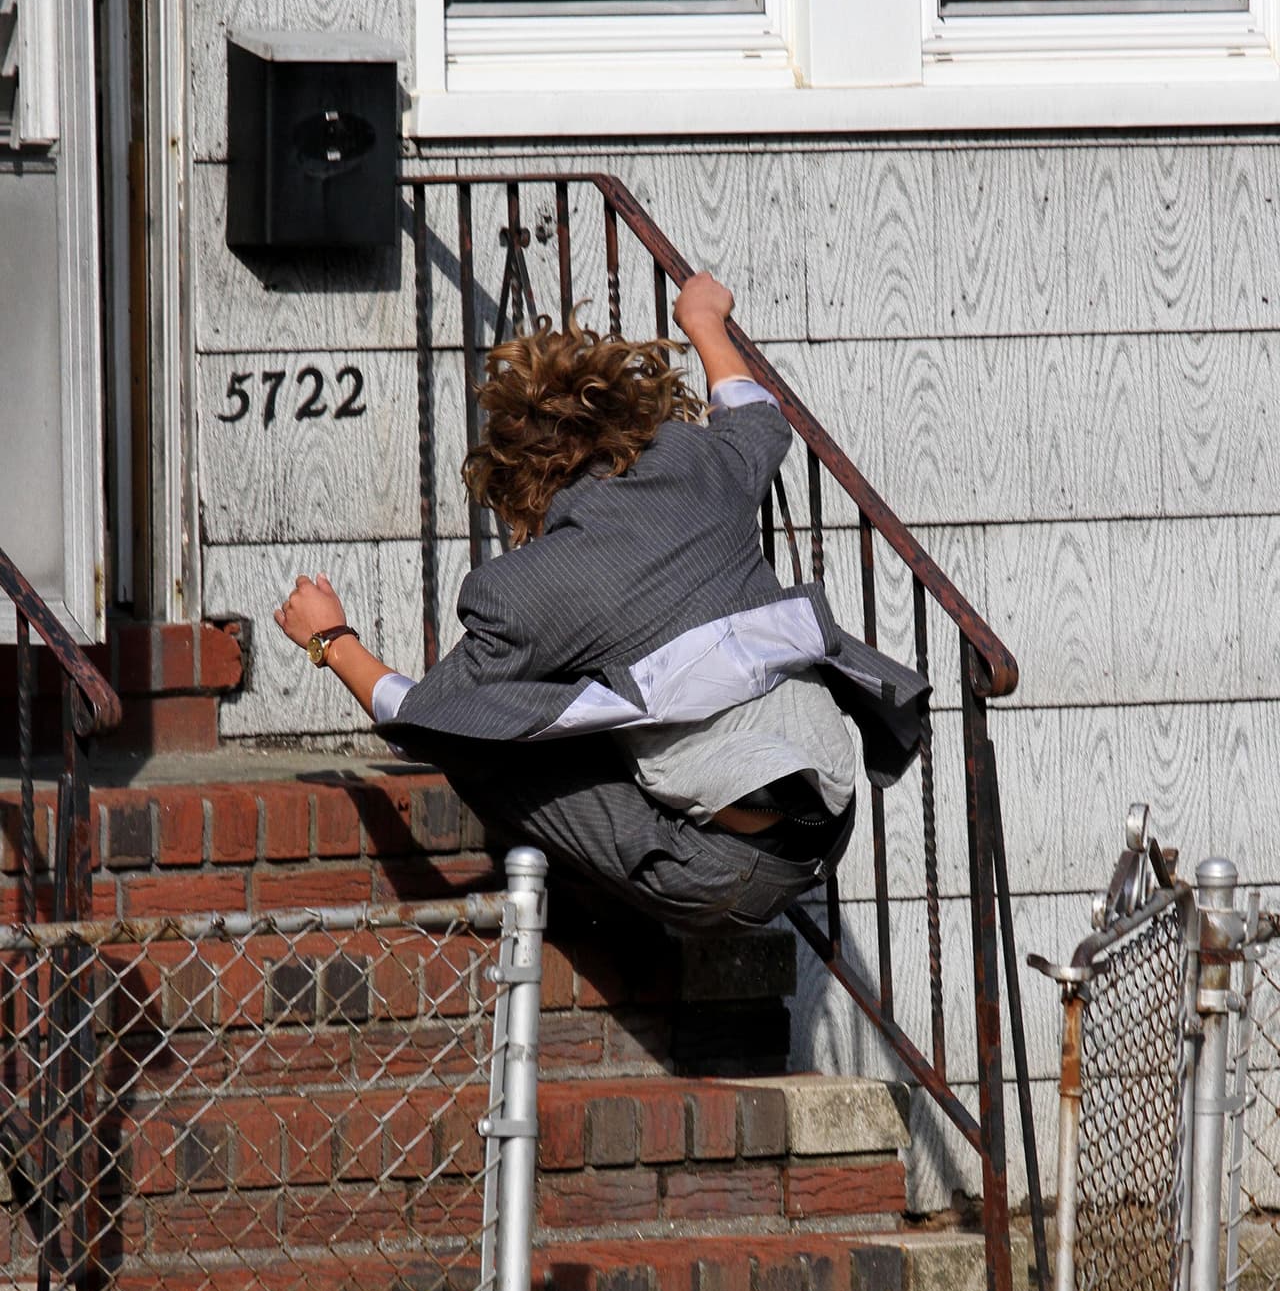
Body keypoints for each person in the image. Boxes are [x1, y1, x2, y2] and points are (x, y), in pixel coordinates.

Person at [273, 274, 928, 930]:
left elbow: (423, 718)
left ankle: (587, 907)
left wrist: (331, 639)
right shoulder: (702, 465)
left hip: (719, 872)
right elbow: (756, 417)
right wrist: (702, 319)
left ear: (514, 477)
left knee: (483, 743)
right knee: (606, 687)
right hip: (832, 819)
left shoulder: (517, 592)